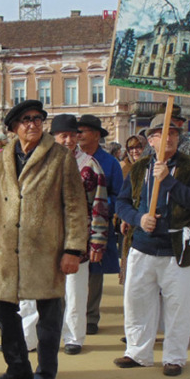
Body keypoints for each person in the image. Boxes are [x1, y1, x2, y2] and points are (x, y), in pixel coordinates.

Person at [0, 100, 87, 379]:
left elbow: (76, 206)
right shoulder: (1, 159)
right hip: (5, 250)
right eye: (26, 119)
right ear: (14, 127)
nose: (32, 124)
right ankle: (18, 367)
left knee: (49, 317)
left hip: (46, 251)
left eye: (38, 119)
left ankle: (45, 375)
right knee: (4, 311)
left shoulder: (60, 157)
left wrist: (73, 249)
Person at [114, 113, 190, 375]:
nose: (168, 138)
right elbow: (122, 203)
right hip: (143, 245)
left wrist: (168, 181)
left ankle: (174, 357)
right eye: (160, 134)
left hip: (177, 247)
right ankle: (137, 351)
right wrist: (139, 219)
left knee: (178, 305)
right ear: (151, 140)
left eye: (173, 134)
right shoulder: (140, 167)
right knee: (137, 301)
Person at [50, 114, 109, 354]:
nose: (69, 140)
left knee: (75, 290)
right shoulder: (41, 162)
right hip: (46, 237)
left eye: (73, 135)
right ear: (53, 137)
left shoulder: (89, 165)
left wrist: (97, 240)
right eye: (64, 135)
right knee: (38, 291)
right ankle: (30, 335)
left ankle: (74, 337)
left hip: (78, 237)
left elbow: (100, 205)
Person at [76, 114, 122, 335]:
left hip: (97, 224)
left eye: (82, 131)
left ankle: (91, 316)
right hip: (74, 226)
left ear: (95, 135)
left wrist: (99, 204)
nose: (78, 136)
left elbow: (119, 194)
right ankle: (70, 315)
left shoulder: (110, 163)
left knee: (95, 271)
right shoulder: (71, 158)